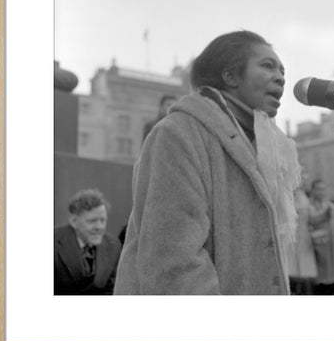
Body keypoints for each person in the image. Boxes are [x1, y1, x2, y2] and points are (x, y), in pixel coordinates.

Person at [114, 30, 301, 295]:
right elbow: (173, 262)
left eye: (283, 70)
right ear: (230, 75)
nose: (281, 78)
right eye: (268, 66)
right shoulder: (178, 133)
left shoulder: (262, 147)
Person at [54, 189, 122, 295]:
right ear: (74, 221)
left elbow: (111, 290)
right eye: (92, 221)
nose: (99, 227)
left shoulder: (114, 246)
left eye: (103, 220)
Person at [308, 178, 334, 295]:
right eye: (318, 189)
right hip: (320, 254)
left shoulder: (332, 206)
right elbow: (311, 221)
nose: (321, 192)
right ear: (313, 191)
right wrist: (324, 215)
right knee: (323, 287)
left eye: (323, 189)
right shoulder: (308, 207)